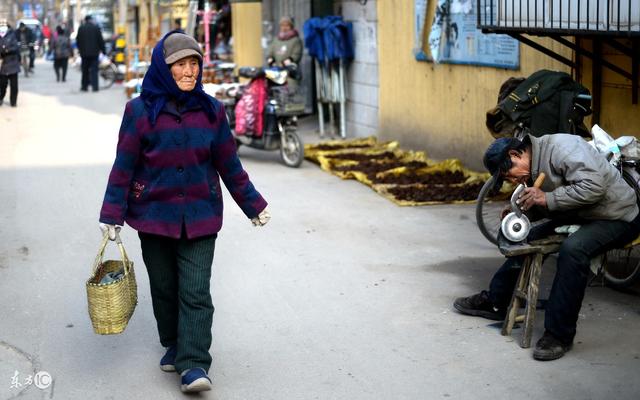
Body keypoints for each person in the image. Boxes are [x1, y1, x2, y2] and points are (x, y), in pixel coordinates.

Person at [99, 31, 270, 393]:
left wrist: (253, 204)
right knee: (164, 288)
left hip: (200, 215)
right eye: (181, 64)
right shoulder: (140, 111)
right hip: (154, 215)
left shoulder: (211, 111)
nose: (190, 71)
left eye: (194, 63)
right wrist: (112, 214)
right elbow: (124, 165)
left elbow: (229, 164)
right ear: (164, 67)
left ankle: (194, 363)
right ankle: (174, 343)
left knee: (195, 292)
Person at [454, 134, 640, 361]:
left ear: (515, 155)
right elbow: (553, 201)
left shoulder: (563, 148)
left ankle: (559, 335)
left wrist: (546, 198)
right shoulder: (532, 166)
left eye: (507, 174)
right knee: (526, 237)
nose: (511, 180)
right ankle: (496, 301)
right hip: (583, 213)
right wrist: (522, 211)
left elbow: (594, 187)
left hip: (618, 215)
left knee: (574, 250)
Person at [76, 15, 105, 92]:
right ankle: (95, 87)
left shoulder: (81, 28)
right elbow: (100, 41)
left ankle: (84, 87)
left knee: (85, 71)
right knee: (94, 71)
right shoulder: (96, 28)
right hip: (94, 54)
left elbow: (78, 41)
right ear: (91, 20)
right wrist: (103, 51)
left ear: (85, 20)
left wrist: (80, 50)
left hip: (84, 54)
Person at [0, 20, 20, 107]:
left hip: (13, 63)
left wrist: (6, 50)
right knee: (2, 85)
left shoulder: (12, 35)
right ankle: (1, 98)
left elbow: (15, 47)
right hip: (3, 65)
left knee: (14, 86)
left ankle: (13, 102)